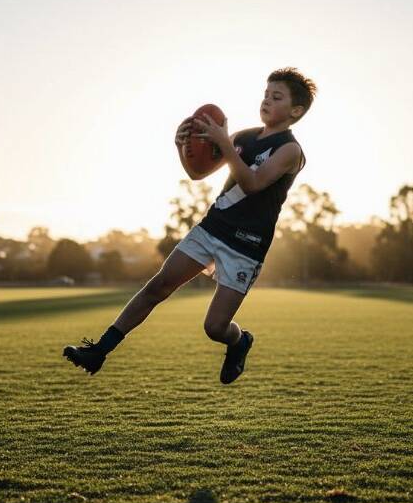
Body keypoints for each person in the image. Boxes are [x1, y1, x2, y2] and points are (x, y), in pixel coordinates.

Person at [63, 67, 316, 384]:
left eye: (276, 97)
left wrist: (224, 142)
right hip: (214, 227)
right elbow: (197, 174)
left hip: (247, 244)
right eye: (265, 94)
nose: (266, 101)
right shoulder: (242, 137)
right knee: (158, 286)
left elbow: (252, 183)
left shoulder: (290, 150)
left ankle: (240, 341)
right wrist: (181, 145)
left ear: (296, 111)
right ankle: (99, 351)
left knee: (215, 328)